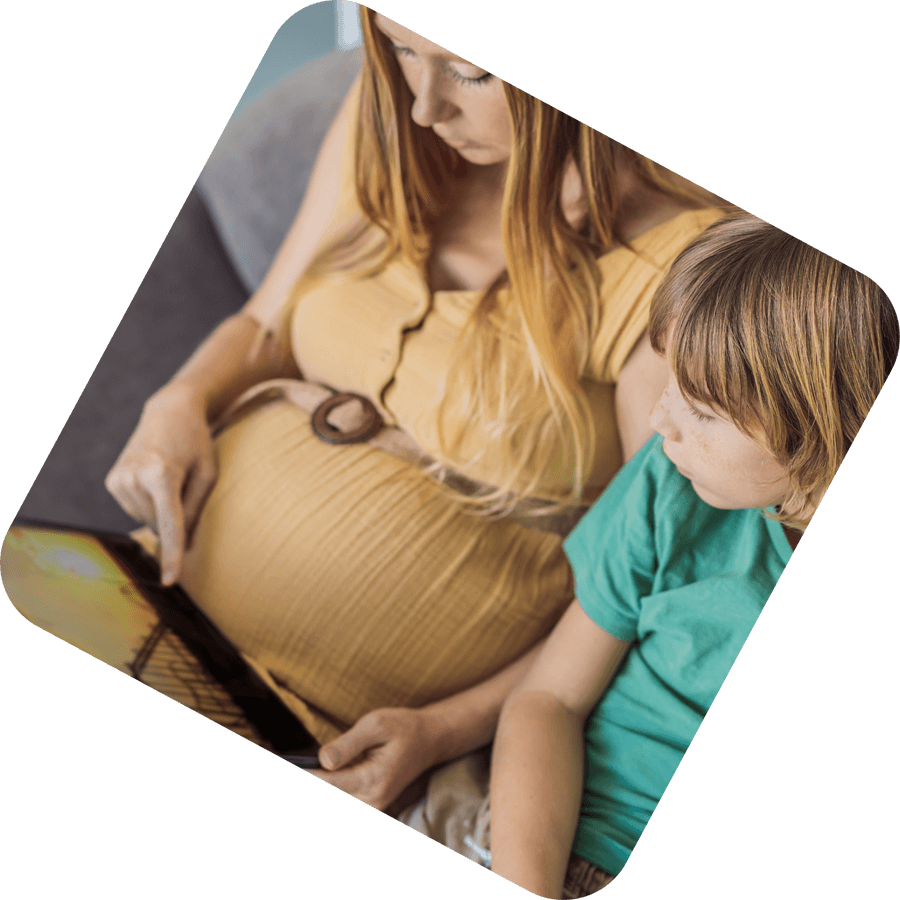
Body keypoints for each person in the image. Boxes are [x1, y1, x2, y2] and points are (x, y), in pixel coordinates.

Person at [105, 8, 730, 814]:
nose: (423, 106)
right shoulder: (387, 124)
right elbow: (267, 321)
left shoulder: (677, 269)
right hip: (137, 600)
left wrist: (441, 731)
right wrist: (178, 399)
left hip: (325, 731)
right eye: (399, 48)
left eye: (469, 73)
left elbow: (642, 578)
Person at [446, 211, 897, 897]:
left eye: (705, 412)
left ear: (830, 428)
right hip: (545, 836)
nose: (660, 422)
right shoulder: (671, 485)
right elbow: (548, 700)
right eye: (672, 384)